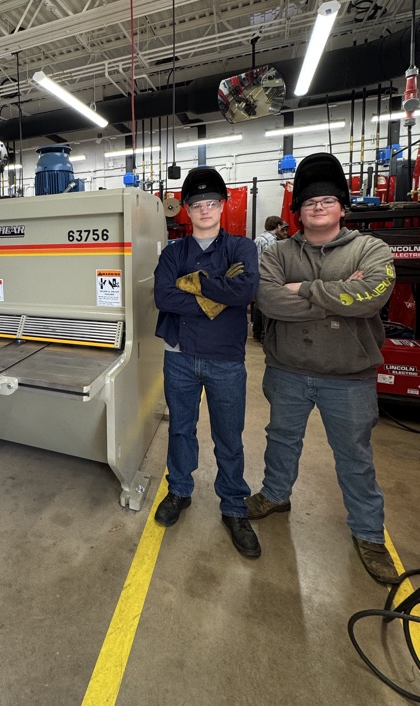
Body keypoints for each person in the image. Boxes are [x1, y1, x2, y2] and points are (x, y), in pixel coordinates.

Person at [248, 152, 398, 585]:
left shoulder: (371, 248)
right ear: (297, 212)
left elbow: (371, 297)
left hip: (348, 376)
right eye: (310, 202)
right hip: (288, 368)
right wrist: (336, 295)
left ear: (342, 208)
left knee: (354, 456)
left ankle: (369, 534)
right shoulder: (277, 252)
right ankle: (276, 496)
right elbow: (268, 300)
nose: (318, 207)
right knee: (281, 439)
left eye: (328, 200)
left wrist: (306, 290)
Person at [153, 166, 261, 557]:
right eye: (196, 204)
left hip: (226, 360)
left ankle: (234, 506)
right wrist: (219, 292)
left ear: (223, 205)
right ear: (185, 208)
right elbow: (164, 297)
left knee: (228, 437)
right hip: (179, 356)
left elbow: (246, 289)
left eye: (211, 202)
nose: (204, 210)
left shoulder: (241, 248)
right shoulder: (173, 252)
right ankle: (179, 490)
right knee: (181, 429)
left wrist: (194, 283)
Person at [252, 216, 289, 341]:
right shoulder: (272, 242)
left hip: (256, 276)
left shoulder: (258, 239)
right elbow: (272, 263)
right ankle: (264, 336)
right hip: (267, 277)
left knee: (258, 305)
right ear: (278, 226)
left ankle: (257, 333)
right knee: (266, 307)